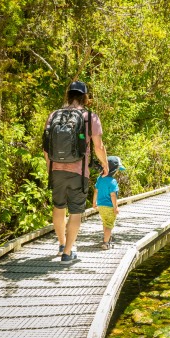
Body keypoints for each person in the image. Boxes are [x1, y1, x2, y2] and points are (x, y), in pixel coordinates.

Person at [43, 80, 109, 264]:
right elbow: (98, 146)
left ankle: (61, 245)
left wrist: (51, 166)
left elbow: (46, 147)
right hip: (79, 172)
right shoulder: (90, 117)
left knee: (58, 207)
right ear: (85, 97)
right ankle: (67, 253)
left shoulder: (54, 115)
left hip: (56, 170)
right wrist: (105, 164)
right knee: (75, 212)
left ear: (68, 95)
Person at [92, 156, 125, 250]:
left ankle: (107, 238)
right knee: (109, 225)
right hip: (110, 206)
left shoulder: (100, 179)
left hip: (101, 206)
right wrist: (116, 207)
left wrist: (94, 202)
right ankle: (106, 243)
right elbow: (113, 195)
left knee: (105, 223)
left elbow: (96, 191)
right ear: (114, 170)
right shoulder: (112, 181)